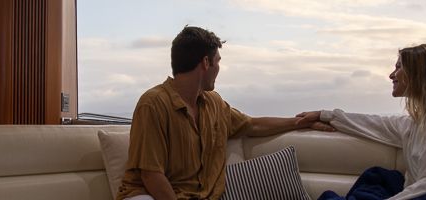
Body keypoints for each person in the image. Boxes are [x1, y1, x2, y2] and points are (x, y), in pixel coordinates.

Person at [116, 26, 329, 200]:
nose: (219, 68)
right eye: (217, 61)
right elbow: (151, 175)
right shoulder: (153, 104)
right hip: (149, 195)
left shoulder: (214, 104)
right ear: (205, 63)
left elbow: (252, 125)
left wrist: (301, 122)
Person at [296, 44, 426, 200]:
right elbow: (371, 124)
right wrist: (323, 115)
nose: (391, 75)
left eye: (398, 67)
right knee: (377, 176)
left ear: (417, 72)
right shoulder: (416, 122)